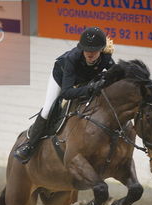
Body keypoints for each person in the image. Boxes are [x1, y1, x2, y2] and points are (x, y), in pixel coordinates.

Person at [14, 26, 115, 164]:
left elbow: (116, 76)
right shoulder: (72, 59)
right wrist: (90, 88)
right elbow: (67, 93)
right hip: (61, 77)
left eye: (94, 51)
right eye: (87, 50)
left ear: (101, 50)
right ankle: (30, 145)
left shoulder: (106, 58)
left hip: (84, 80)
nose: (90, 54)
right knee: (49, 109)